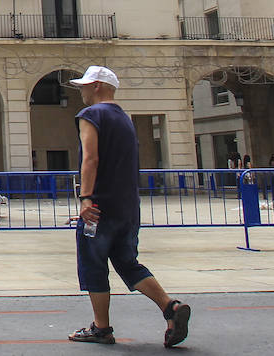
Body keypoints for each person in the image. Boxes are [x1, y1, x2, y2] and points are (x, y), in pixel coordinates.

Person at [67, 65, 190, 347]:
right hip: (127, 205)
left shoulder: (91, 114)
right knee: (127, 262)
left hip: (99, 205)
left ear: (97, 85)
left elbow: (91, 158)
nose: (82, 90)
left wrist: (86, 197)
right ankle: (170, 307)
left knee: (93, 263)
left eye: (85, 85)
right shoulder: (124, 117)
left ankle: (101, 328)